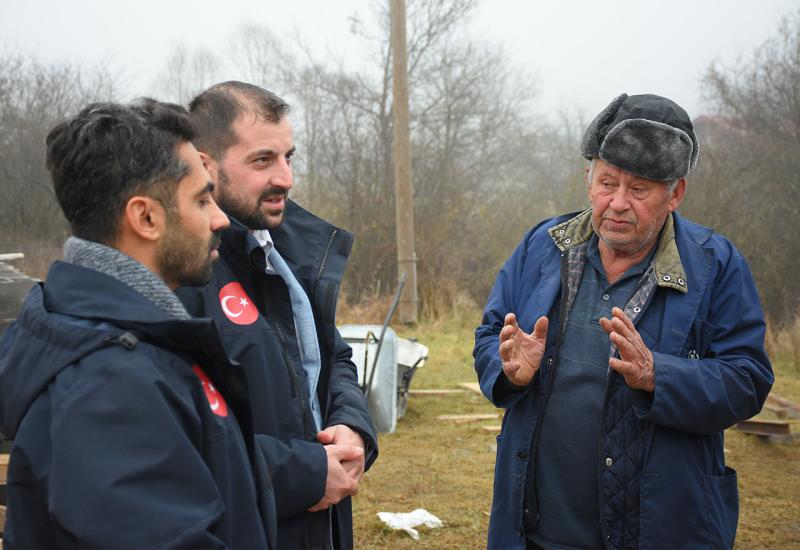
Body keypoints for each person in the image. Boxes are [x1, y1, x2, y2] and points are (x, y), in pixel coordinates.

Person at [473, 93, 774, 550]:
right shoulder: (544, 244)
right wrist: (508, 370)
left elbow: (747, 380)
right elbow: (490, 334)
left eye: (638, 190)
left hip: (661, 528)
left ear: (675, 193)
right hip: (534, 530)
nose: (616, 203)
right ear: (588, 179)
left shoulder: (716, 265)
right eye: (606, 182)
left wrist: (659, 375)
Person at [0, 99, 276, 549]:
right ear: (146, 217)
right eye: (202, 199)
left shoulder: (132, 340)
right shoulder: (109, 385)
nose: (220, 218)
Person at [178, 81, 378, 550]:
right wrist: (304, 475)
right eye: (263, 160)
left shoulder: (289, 255)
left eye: (289, 157)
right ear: (205, 165)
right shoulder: (181, 275)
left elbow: (336, 358)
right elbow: (178, 438)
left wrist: (352, 428)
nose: (286, 178)